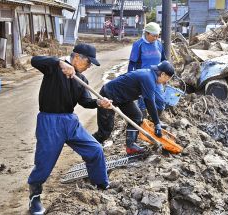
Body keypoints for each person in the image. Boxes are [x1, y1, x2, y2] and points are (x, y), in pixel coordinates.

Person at [27, 44, 112, 215]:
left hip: (70, 120)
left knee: (95, 149)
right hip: (50, 120)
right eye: (88, 62)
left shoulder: (81, 80)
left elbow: (85, 102)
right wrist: (60, 63)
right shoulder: (54, 68)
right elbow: (34, 60)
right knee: (45, 161)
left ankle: (100, 183)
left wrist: (98, 103)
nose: (89, 67)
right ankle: (34, 197)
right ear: (77, 57)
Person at [93, 61, 175, 154]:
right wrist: (157, 123)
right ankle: (89, 147)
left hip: (123, 97)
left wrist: (157, 122)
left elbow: (154, 99)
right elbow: (149, 102)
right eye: (167, 78)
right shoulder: (148, 78)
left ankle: (131, 146)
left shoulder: (151, 76)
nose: (166, 82)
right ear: (163, 74)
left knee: (136, 116)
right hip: (109, 95)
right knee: (105, 131)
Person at [128, 22, 167, 119]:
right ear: (147, 33)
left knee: (160, 101)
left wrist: (166, 73)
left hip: (157, 78)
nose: (156, 38)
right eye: (154, 36)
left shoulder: (158, 44)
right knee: (143, 103)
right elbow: (132, 63)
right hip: (143, 79)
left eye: (158, 36)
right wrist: (130, 79)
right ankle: (143, 123)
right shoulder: (138, 44)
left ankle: (154, 120)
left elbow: (163, 60)